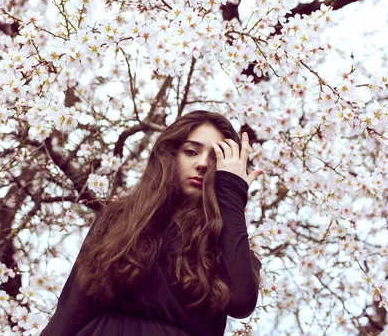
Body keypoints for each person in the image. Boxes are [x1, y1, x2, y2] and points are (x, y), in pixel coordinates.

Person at [40, 110, 264, 336]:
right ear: (171, 154)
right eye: (191, 151)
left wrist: (232, 194)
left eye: (215, 158)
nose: (203, 164)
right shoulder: (119, 219)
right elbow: (70, 313)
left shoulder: (225, 244)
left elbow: (241, 302)